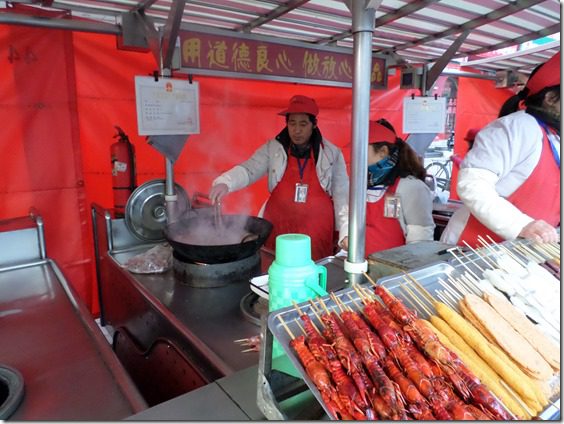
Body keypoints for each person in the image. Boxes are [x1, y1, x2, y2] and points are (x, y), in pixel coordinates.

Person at [208, 95, 349, 260]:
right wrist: (225, 182)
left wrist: (345, 231)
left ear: (314, 125)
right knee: (274, 267)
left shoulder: (332, 153)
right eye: (292, 123)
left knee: (311, 269)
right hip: (278, 224)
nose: (297, 130)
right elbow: (250, 169)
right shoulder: (273, 148)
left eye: (303, 124)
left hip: (316, 229)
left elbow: (342, 195)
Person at [441, 52, 560, 247]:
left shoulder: (554, 136)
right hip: (474, 246)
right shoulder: (518, 127)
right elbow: (473, 184)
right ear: (550, 98)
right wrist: (522, 225)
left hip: (524, 251)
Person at [341, 121, 435, 254]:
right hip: (360, 266)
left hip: (394, 270)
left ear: (383, 151)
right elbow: (347, 214)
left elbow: (420, 240)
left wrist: (405, 270)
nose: (355, 156)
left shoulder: (411, 187)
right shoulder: (359, 183)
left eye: (361, 150)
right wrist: (346, 236)